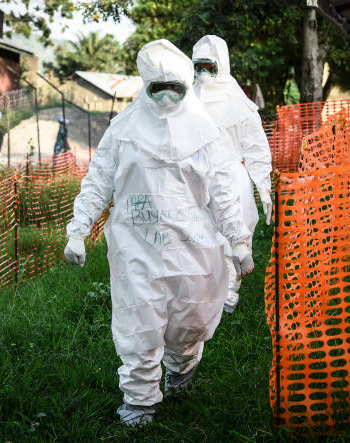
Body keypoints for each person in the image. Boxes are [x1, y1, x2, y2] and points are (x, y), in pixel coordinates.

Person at [64, 39, 254, 426]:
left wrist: (238, 240)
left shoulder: (205, 133)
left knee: (191, 322)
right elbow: (98, 181)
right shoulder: (123, 131)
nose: (167, 97)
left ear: (187, 86)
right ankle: (139, 400)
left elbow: (222, 190)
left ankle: (182, 366)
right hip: (137, 248)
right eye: (157, 88)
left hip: (193, 247)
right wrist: (77, 230)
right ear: (145, 86)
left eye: (176, 88)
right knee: (139, 322)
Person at [192, 35, 273, 314]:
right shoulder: (188, 99)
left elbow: (255, 147)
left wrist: (263, 185)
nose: (203, 75)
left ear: (221, 66)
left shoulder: (238, 104)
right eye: (198, 67)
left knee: (233, 235)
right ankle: (202, 293)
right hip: (195, 177)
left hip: (231, 176)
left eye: (208, 67)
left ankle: (228, 295)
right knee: (201, 237)